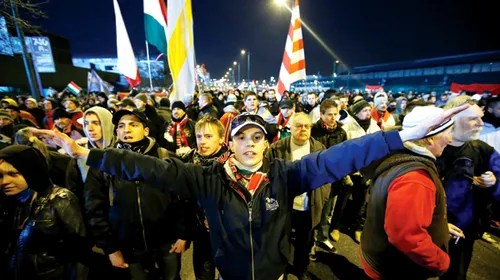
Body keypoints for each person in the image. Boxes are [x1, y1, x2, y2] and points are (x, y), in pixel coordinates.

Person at [33, 105, 468, 280]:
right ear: (231, 142)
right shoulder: (204, 178)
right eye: (241, 137)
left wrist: (396, 137)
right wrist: (84, 153)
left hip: (274, 274)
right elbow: (149, 168)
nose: (250, 145)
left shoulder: (285, 174)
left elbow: (340, 158)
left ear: (265, 142)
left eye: (257, 137)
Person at [361, 106, 464, 280]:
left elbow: (402, 216)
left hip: (381, 255)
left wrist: (437, 226)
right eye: (448, 132)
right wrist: (441, 262)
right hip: (396, 268)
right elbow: (406, 235)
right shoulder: (416, 179)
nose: (450, 138)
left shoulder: (400, 154)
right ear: (430, 137)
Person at [83, 109, 187, 280]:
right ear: (116, 132)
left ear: (146, 130)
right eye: (121, 126)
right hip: (128, 247)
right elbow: (93, 208)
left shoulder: (165, 158)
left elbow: (182, 199)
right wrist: (110, 248)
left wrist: (183, 235)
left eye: (133, 125)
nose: (127, 130)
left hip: (166, 243)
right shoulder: (104, 163)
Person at [0, 145, 87, 280]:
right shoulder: (11, 203)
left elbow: (80, 256)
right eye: (0, 176)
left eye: (13, 174)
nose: (5, 181)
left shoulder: (61, 200)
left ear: (31, 171)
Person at [438, 96, 500, 280]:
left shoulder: (484, 151)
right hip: (425, 228)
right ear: (452, 119)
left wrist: (494, 182)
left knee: (455, 275)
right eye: (473, 118)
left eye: (481, 117)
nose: (480, 124)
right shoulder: (432, 146)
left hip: (462, 233)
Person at [266, 113, 331, 280]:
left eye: (307, 126)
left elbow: (327, 178)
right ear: (290, 127)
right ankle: (282, 269)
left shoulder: (319, 149)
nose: (303, 129)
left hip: (309, 206)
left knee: (305, 242)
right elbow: (267, 176)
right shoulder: (277, 149)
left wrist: (322, 197)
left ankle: (302, 269)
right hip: (284, 206)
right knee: (281, 240)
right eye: (298, 125)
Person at [181, 116, 231, 280]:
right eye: (199, 136)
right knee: (203, 273)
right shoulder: (188, 161)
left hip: (228, 233)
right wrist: (185, 234)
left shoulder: (232, 163)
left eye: (208, 136)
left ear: (221, 139)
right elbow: (183, 201)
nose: (202, 141)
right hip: (200, 232)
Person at [337, 97, 381, 243]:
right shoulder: (346, 126)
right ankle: (336, 226)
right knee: (342, 199)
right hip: (349, 169)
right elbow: (342, 149)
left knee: (361, 200)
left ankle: (356, 227)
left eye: (369, 110)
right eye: (364, 111)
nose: (368, 113)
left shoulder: (374, 126)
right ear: (356, 112)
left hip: (366, 170)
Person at [310, 99, 349, 252]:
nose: (333, 118)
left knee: (328, 210)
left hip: (334, 177)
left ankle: (323, 237)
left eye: (335, 114)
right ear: (321, 114)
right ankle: (311, 242)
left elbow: (344, 153)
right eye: (329, 115)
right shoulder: (313, 130)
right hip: (316, 177)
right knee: (314, 211)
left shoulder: (341, 132)